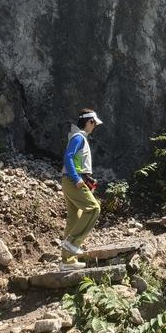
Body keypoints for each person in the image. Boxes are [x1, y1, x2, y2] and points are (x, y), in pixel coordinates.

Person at [60, 108, 103, 270]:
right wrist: (77, 178)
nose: (94, 127)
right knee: (93, 208)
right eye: (94, 123)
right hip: (73, 180)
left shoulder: (77, 137)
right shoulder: (78, 137)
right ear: (89, 122)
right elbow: (68, 156)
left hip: (69, 181)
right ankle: (72, 243)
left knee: (74, 219)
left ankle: (67, 262)